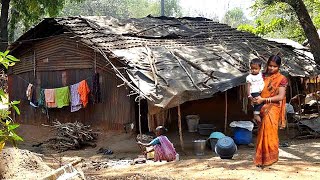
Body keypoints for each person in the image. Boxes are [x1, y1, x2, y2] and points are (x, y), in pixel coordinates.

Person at [252, 55, 288, 168]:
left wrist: (264, 99)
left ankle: (270, 158)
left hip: (273, 108)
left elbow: (281, 96)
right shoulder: (260, 76)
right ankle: (261, 158)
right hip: (260, 107)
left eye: (275, 66)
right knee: (261, 133)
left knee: (269, 132)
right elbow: (255, 92)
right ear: (267, 65)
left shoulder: (282, 79)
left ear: (279, 67)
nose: (272, 68)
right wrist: (255, 111)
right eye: (270, 65)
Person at [246, 58, 265, 124]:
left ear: (260, 69)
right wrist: (249, 96)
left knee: (260, 106)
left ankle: (256, 117)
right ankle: (257, 118)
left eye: (255, 69)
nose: (253, 70)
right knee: (258, 104)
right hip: (255, 93)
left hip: (261, 93)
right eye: (252, 68)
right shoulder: (249, 77)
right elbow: (248, 86)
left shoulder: (260, 74)